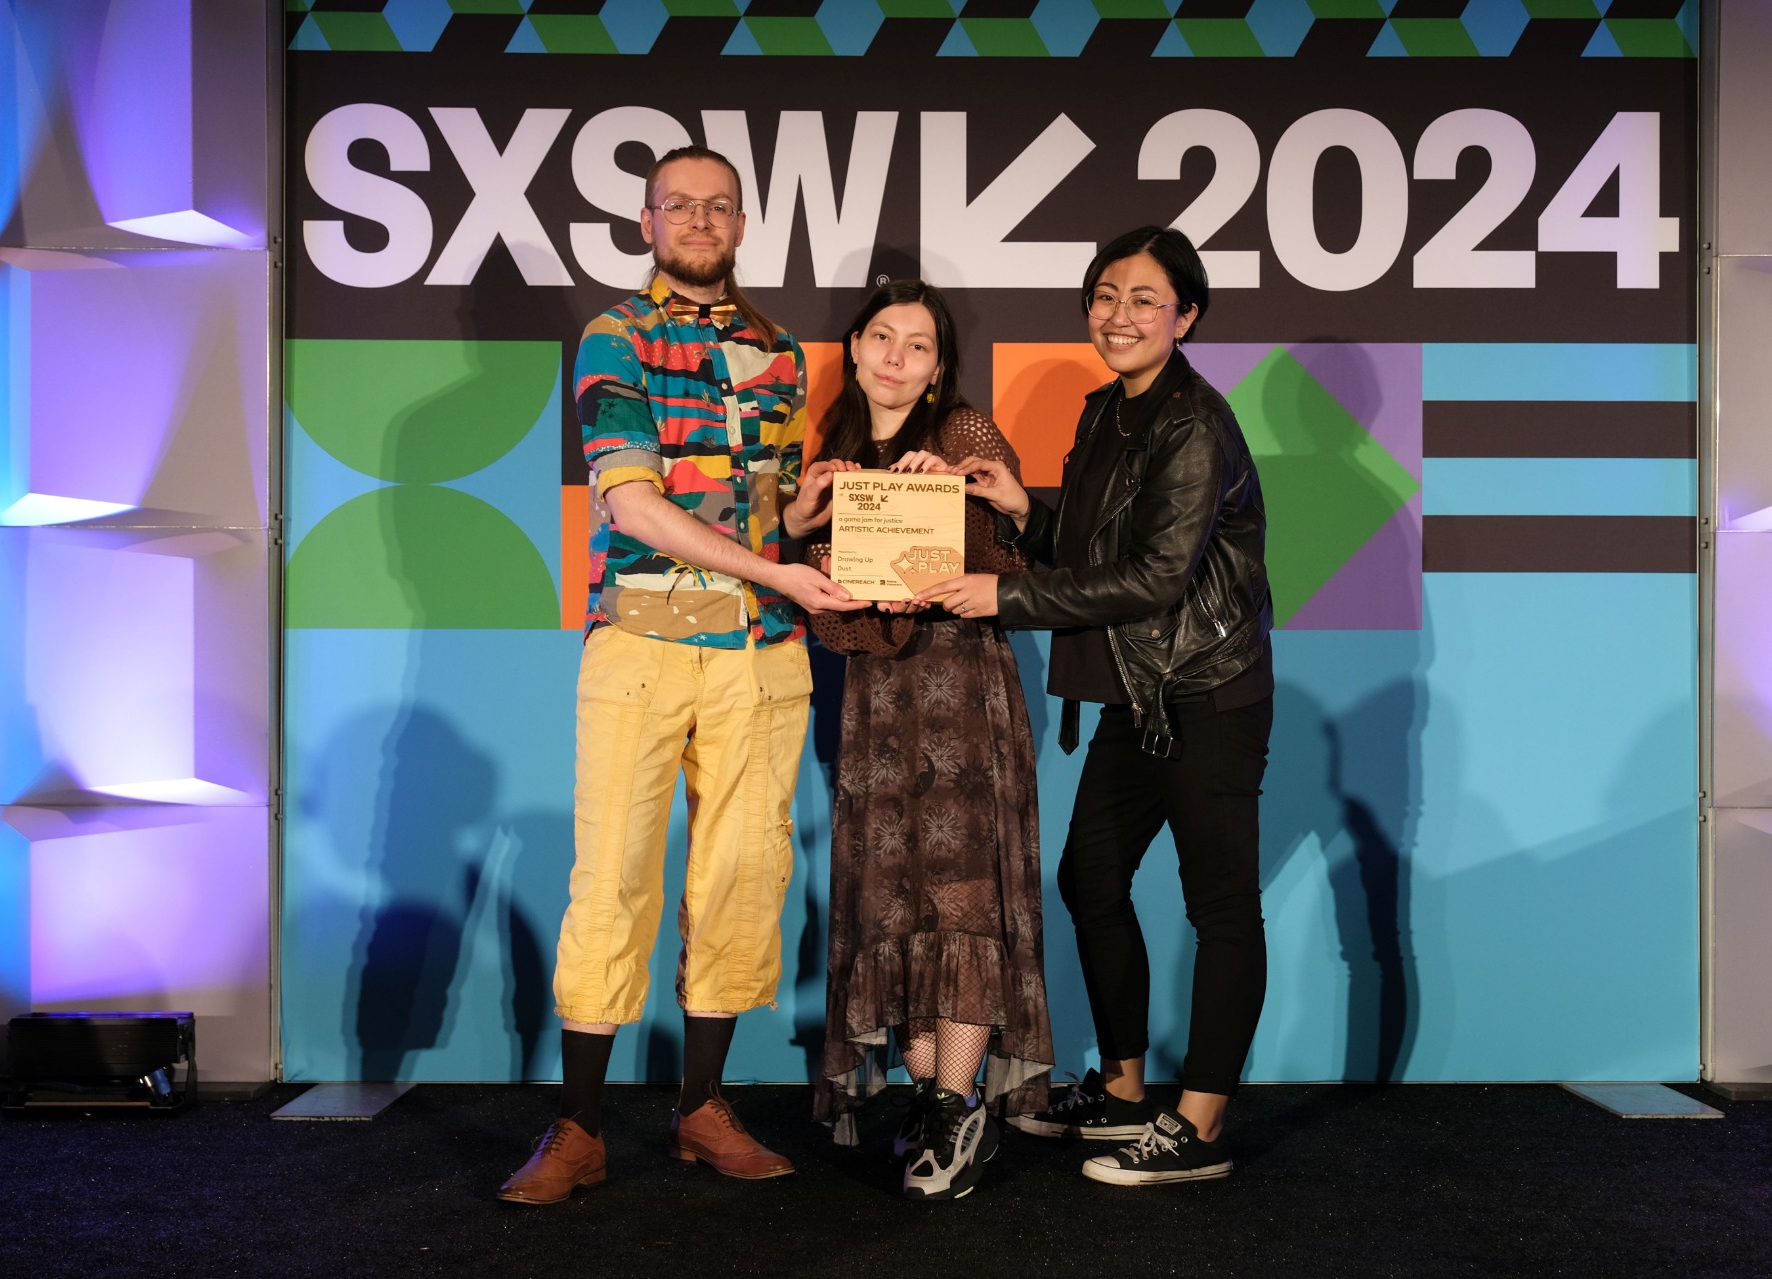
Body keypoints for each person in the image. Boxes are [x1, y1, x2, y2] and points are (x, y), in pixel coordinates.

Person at [498, 146, 866, 1205]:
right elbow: (634, 505)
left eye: (718, 207)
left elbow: (769, 505)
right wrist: (776, 569)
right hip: (643, 640)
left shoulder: (780, 352)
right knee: (612, 876)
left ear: (741, 223)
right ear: (647, 223)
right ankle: (578, 1128)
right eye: (679, 206)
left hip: (761, 650)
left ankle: (702, 1109)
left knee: (743, 876)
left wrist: (812, 510)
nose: (699, 222)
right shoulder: (615, 336)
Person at [927, 226, 1274, 1187]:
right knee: (1091, 877)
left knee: (1221, 905)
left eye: (1145, 299)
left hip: (1208, 689)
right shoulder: (1106, 411)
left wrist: (1004, 595)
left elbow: (1157, 577)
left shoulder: (1194, 424)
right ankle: (1123, 1092)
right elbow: (1089, 551)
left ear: (1185, 316)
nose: (1120, 315)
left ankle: (1199, 1125)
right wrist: (1019, 509)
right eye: (1106, 295)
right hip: (1139, 688)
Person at [797, 280, 1053, 1201]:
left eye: (918, 344)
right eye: (882, 337)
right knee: (896, 907)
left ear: (940, 365)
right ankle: (944, 1100)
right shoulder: (831, 457)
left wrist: (952, 505)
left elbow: (1016, 567)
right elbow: (837, 626)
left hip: (964, 697)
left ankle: (953, 1103)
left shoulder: (965, 433)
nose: (897, 357)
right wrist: (824, 559)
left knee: (962, 902)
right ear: (855, 347)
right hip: (879, 708)